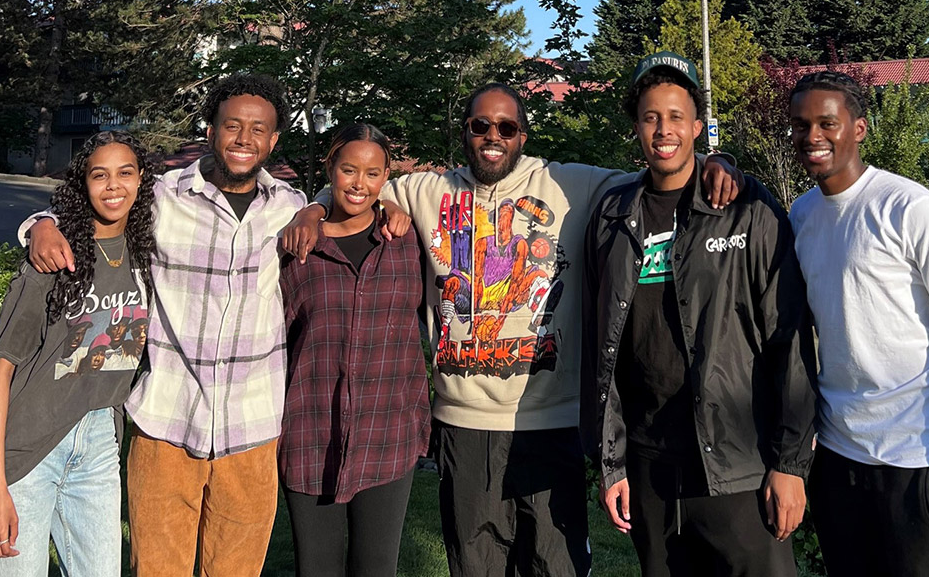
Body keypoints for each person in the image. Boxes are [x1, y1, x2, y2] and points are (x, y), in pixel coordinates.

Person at [285, 83, 740, 576]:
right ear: (466, 132)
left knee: (554, 564)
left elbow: (661, 176)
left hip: (550, 422)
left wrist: (721, 160)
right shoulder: (424, 190)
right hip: (463, 423)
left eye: (506, 126)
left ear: (523, 135)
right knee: (475, 564)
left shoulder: (572, 184)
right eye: (481, 125)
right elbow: (355, 184)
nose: (492, 135)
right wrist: (312, 208)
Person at [20, 74, 307, 575]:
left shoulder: (290, 207)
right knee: (157, 568)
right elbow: (92, 204)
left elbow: (356, 200)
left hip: (254, 428)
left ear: (274, 139)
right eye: (232, 125)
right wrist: (39, 224)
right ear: (212, 128)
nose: (244, 139)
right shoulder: (163, 197)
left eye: (258, 129)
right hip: (166, 422)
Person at [582, 52, 817, 577]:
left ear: (696, 127)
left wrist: (790, 464)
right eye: (649, 117)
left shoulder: (746, 205)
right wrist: (612, 461)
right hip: (649, 467)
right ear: (637, 128)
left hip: (738, 463)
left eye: (674, 116)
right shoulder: (611, 215)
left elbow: (790, 336)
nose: (663, 130)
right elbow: (600, 349)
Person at [787, 71, 929, 577]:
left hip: (919, 460)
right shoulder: (801, 215)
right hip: (838, 458)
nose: (812, 136)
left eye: (826, 123)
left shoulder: (912, 207)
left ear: (858, 128)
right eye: (800, 124)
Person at [0, 131, 157, 575]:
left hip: (98, 447)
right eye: (100, 175)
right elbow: (1, 370)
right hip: (25, 450)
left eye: (125, 173)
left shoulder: (148, 253)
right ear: (83, 184)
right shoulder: (52, 257)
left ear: (141, 178)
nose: (113, 186)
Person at [277, 123, 430, 577]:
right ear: (330, 169)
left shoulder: (409, 242)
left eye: (372, 173)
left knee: (376, 567)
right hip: (311, 433)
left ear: (386, 178)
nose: (359, 183)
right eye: (348, 170)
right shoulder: (297, 247)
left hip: (390, 434)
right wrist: (311, 209)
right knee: (316, 568)